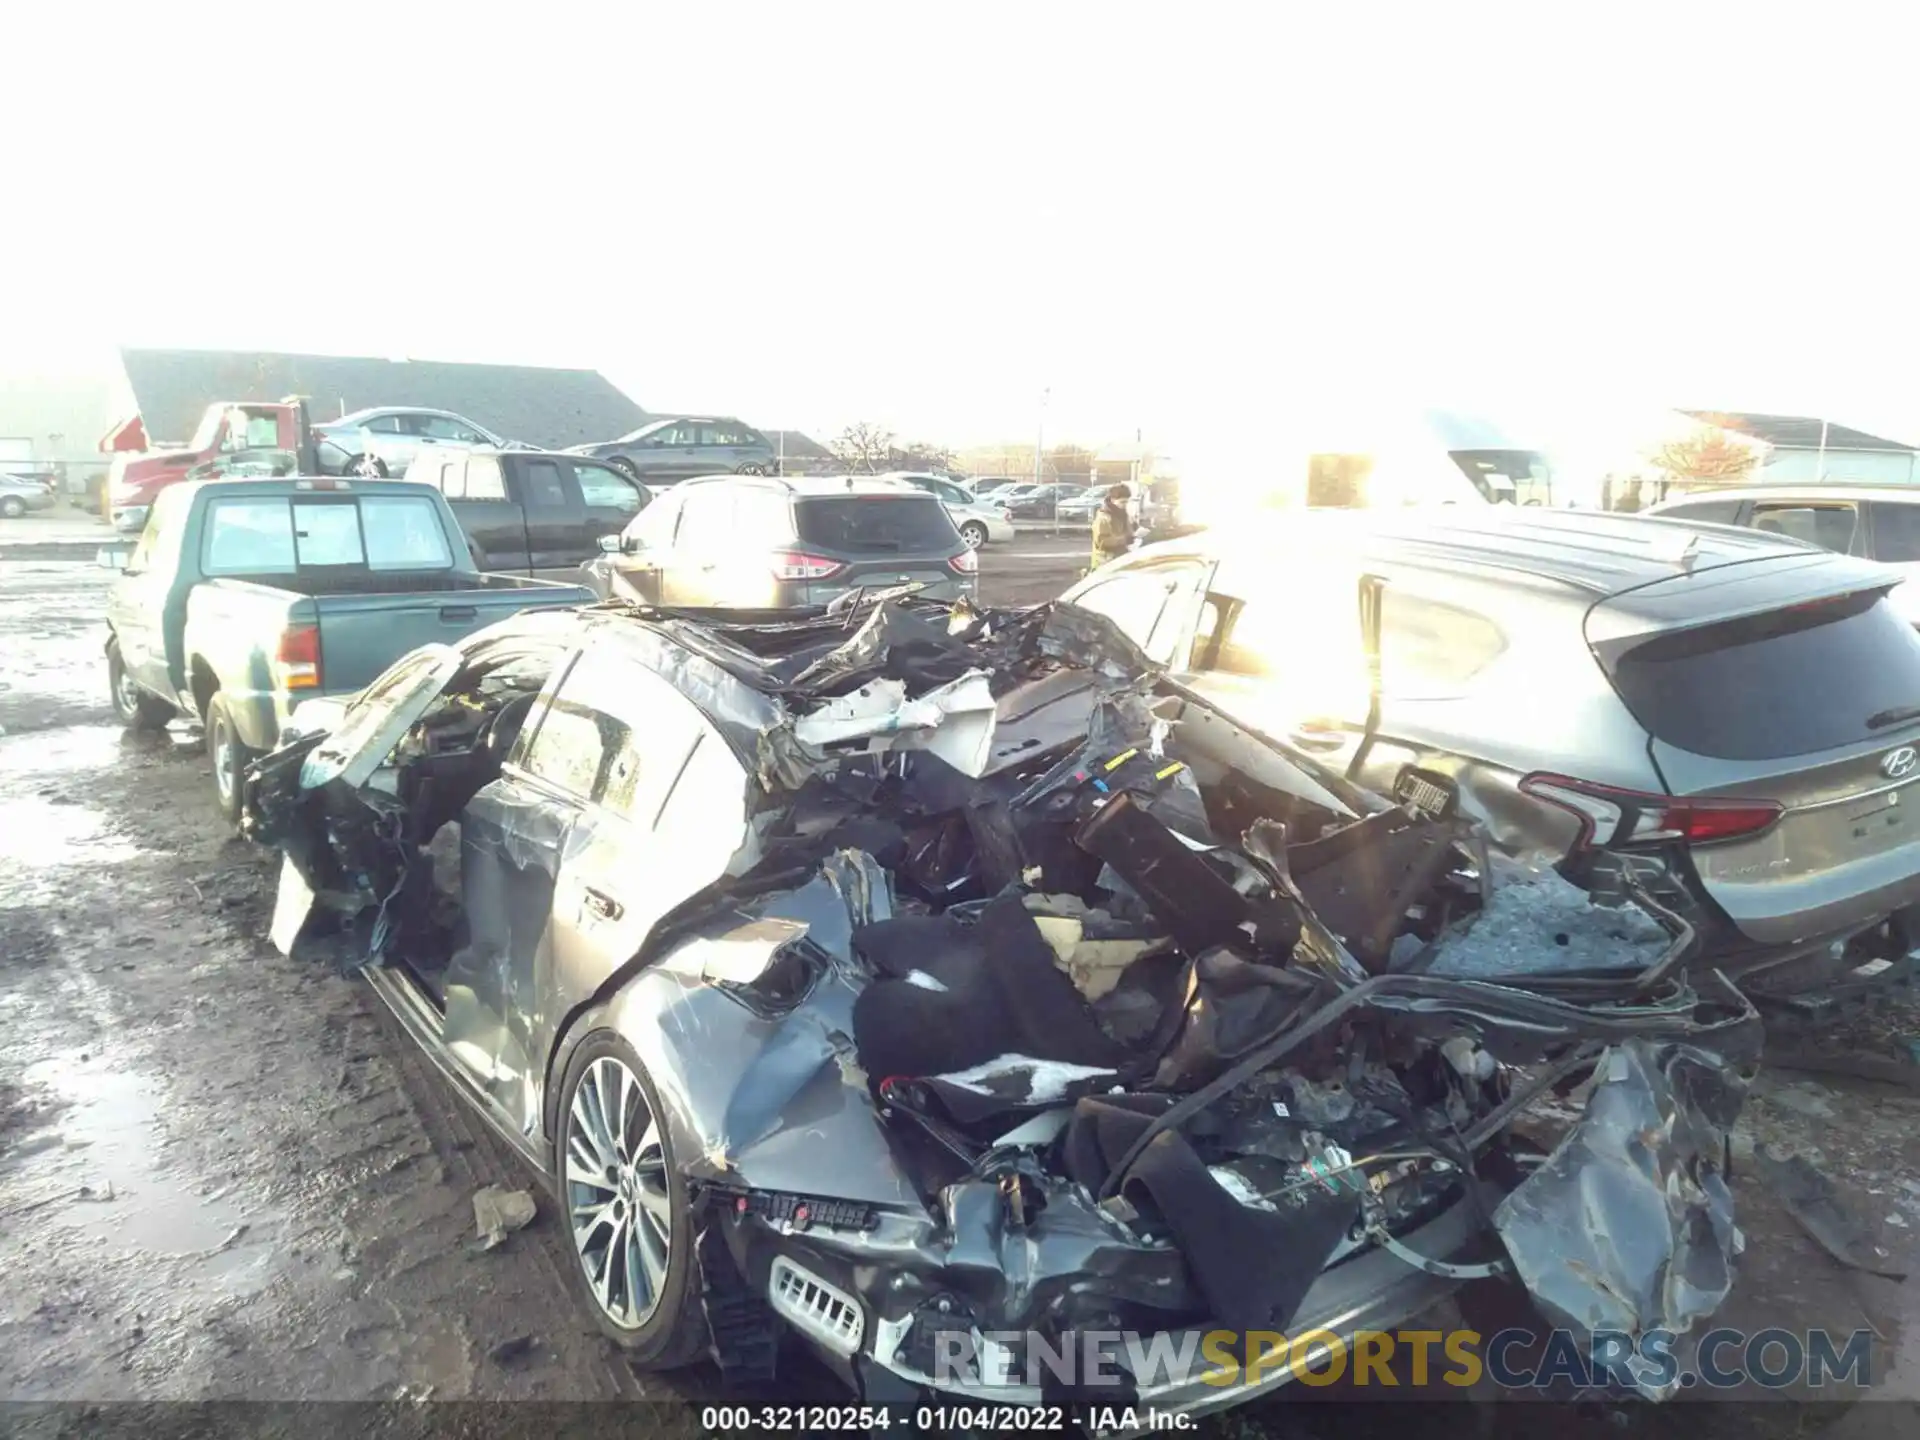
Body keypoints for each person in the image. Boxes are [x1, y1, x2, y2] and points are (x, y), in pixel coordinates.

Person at [1089, 483, 1132, 572]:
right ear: (1112, 500)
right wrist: (1125, 539)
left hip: (1117, 559)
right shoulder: (1103, 517)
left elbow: (1128, 531)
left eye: (1126, 502)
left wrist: (1134, 534)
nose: (1125, 505)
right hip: (1104, 562)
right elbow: (1102, 542)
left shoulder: (1122, 514)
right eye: (1122, 502)